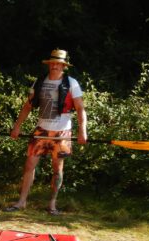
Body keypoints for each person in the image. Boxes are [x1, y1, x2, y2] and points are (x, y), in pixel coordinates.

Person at [5, 48, 87, 215]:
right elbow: (28, 106)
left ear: (64, 66)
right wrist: (17, 126)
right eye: (52, 63)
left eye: (58, 63)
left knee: (58, 169)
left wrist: (82, 130)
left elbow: (80, 108)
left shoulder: (72, 83)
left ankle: (52, 205)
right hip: (41, 130)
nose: (55, 66)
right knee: (29, 165)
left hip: (62, 133)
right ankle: (21, 202)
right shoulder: (40, 81)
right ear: (49, 64)